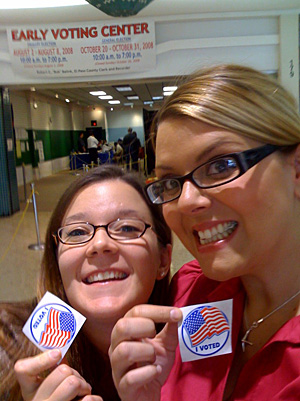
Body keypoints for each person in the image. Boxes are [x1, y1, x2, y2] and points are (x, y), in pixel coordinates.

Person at [109, 64, 300, 401]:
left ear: (296, 169)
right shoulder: (190, 293)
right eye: (170, 182)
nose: (186, 202)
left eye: (221, 165)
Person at [0, 165, 172, 401]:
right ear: (57, 261)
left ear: (164, 259)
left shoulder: (190, 355)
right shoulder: (6, 342)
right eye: (77, 232)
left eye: (127, 228)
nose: (100, 244)